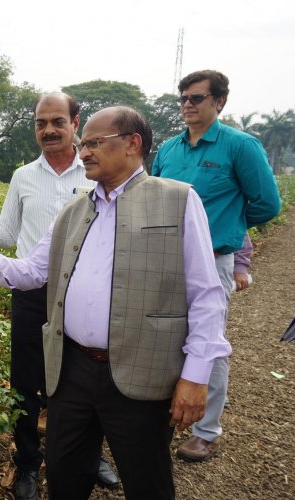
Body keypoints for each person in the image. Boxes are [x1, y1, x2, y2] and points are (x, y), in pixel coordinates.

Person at [0, 106, 231, 499]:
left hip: (140, 370)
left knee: (146, 478)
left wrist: (196, 375)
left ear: (133, 144)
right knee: (65, 475)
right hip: (72, 369)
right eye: (84, 145)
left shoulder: (177, 201)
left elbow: (206, 295)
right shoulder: (74, 210)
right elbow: (33, 271)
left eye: (95, 143)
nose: (83, 153)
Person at [0, 92, 118, 498]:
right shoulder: (23, 176)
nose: (48, 130)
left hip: (82, 293)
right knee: (26, 383)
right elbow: (8, 235)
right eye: (41, 123)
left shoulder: (96, 170)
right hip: (31, 288)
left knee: (82, 380)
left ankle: (89, 455)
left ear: (75, 123)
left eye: (57, 121)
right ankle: (27, 463)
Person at [153, 70, 281, 462]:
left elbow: (267, 204)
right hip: (165, 258)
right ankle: (164, 411)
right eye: (184, 99)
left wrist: (227, 226)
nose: (188, 105)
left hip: (211, 260)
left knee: (209, 343)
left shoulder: (240, 146)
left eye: (197, 98)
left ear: (219, 102)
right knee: (163, 332)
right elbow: (153, 195)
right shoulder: (169, 150)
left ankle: (206, 430)